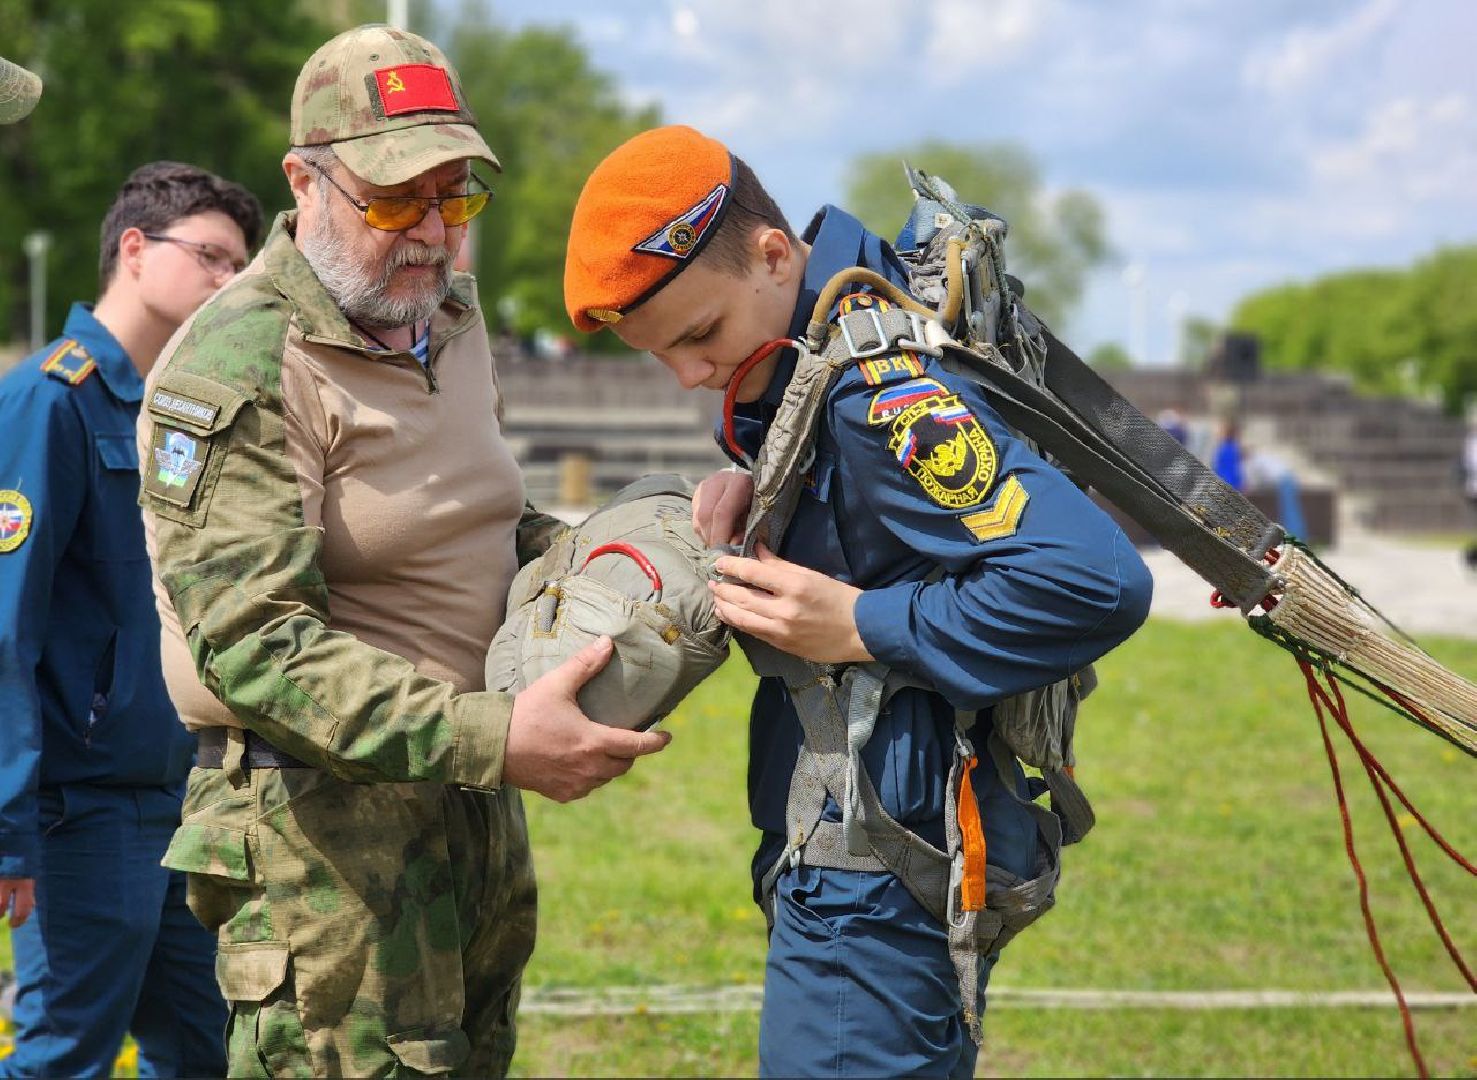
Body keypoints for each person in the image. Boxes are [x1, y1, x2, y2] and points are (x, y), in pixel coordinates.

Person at [136, 25, 670, 1077]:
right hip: (319, 844)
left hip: (471, 805)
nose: (431, 232)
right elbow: (257, 647)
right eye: (393, 200)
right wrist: (497, 737)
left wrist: (633, 559)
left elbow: (475, 525)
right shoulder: (237, 362)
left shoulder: (450, 318)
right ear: (304, 180)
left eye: (455, 196)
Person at [563, 125, 1153, 1077]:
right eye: (659, 356)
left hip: (875, 878)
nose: (689, 374)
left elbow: (1093, 581)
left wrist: (857, 625)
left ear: (770, 253)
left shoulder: (872, 389)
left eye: (700, 334)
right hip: (893, 846)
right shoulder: (820, 347)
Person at [0, 161, 261, 1077]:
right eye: (214, 259)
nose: (231, 282)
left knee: (202, 1048)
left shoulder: (175, 414)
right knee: (65, 1056)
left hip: (178, 797)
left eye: (243, 265)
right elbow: (6, 632)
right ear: (136, 249)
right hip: (83, 812)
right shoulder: (49, 400)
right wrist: (7, 831)